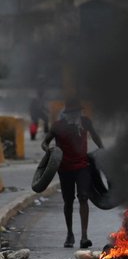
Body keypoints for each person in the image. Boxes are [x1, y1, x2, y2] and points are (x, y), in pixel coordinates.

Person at [41, 98, 104, 248]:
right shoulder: (57, 126)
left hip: (82, 166)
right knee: (68, 201)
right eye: (72, 112)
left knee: (83, 197)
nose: (75, 115)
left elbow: (95, 136)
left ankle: (84, 236)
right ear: (66, 113)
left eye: (77, 112)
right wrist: (49, 151)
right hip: (64, 168)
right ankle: (69, 234)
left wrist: (102, 149)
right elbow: (45, 142)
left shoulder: (85, 122)